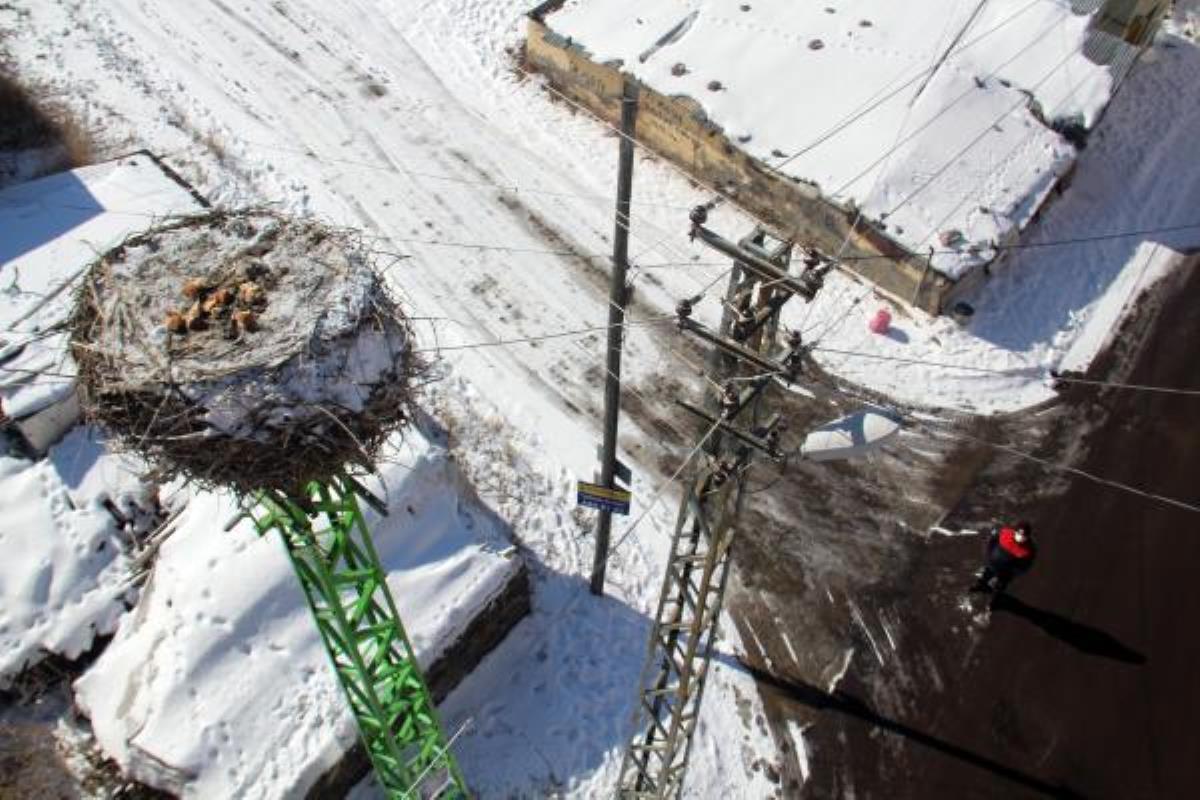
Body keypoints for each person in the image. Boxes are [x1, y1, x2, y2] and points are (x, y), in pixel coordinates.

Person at [970, 520, 1036, 594]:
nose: (1020, 537)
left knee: (1001, 584)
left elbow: (1026, 565)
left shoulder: (1029, 549)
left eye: (1024, 536)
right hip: (993, 564)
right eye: (1019, 534)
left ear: (1027, 537)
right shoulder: (1005, 534)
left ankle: (996, 594)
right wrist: (989, 555)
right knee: (986, 576)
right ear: (1015, 532)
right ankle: (980, 586)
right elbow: (991, 541)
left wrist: (1013, 572)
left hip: (1006, 572)